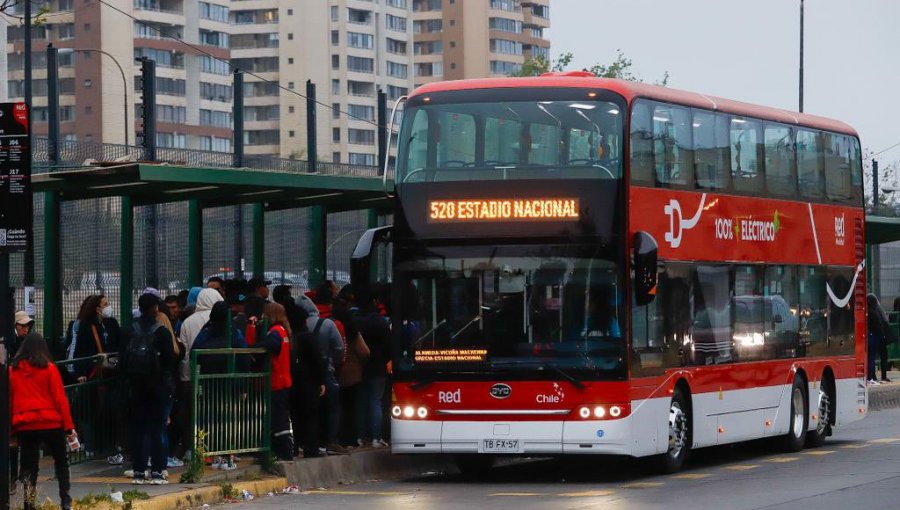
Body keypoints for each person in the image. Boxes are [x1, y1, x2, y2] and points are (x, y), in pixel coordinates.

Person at [10, 333, 76, 510]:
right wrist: (69, 427)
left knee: (29, 467)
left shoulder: (13, 371)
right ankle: (65, 500)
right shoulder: (49, 368)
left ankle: (29, 503)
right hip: (51, 422)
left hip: (25, 424)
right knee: (61, 461)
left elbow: (9, 400)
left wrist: (11, 431)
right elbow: (60, 399)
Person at [121, 293, 178, 484]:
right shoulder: (161, 332)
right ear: (155, 308)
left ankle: (138, 471)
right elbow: (170, 359)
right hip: (158, 387)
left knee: (139, 429)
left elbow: (122, 360)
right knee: (158, 429)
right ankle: (158, 471)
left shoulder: (129, 330)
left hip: (136, 387)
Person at [172, 288, 223, 460]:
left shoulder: (188, 321)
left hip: (191, 377)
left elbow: (185, 352)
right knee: (212, 413)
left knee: (191, 414)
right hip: (214, 376)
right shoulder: (220, 318)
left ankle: (190, 448)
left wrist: (185, 375)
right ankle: (213, 449)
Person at [297, 293, 346, 455]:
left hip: (303, 375)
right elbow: (339, 347)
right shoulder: (327, 324)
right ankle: (330, 441)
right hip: (326, 371)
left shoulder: (294, 327)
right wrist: (333, 363)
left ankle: (305, 442)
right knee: (331, 407)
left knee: (308, 410)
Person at [259, 302, 295, 460]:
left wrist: (253, 347)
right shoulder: (284, 331)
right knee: (281, 418)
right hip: (284, 380)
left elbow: (269, 346)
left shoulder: (274, 332)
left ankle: (283, 452)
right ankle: (284, 450)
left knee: (278, 420)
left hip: (276, 382)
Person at [354, 293, 391, 448]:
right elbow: (388, 344)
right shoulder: (379, 321)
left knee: (362, 402)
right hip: (378, 367)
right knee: (375, 401)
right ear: (374, 301)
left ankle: (361, 437)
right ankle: (377, 437)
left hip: (360, 366)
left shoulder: (356, 320)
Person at [193, 302, 250, 374]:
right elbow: (244, 356)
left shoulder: (206, 332)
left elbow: (194, 355)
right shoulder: (235, 333)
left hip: (208, 379)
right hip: (232, 379)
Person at [867, 294, 895, 384]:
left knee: (874, 357)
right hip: (876, 336)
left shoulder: (873, 311)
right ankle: (872, 377)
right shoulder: (874, 311)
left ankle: (874, 377)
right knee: (873, 357)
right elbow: (879, 324)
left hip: (876, 336)